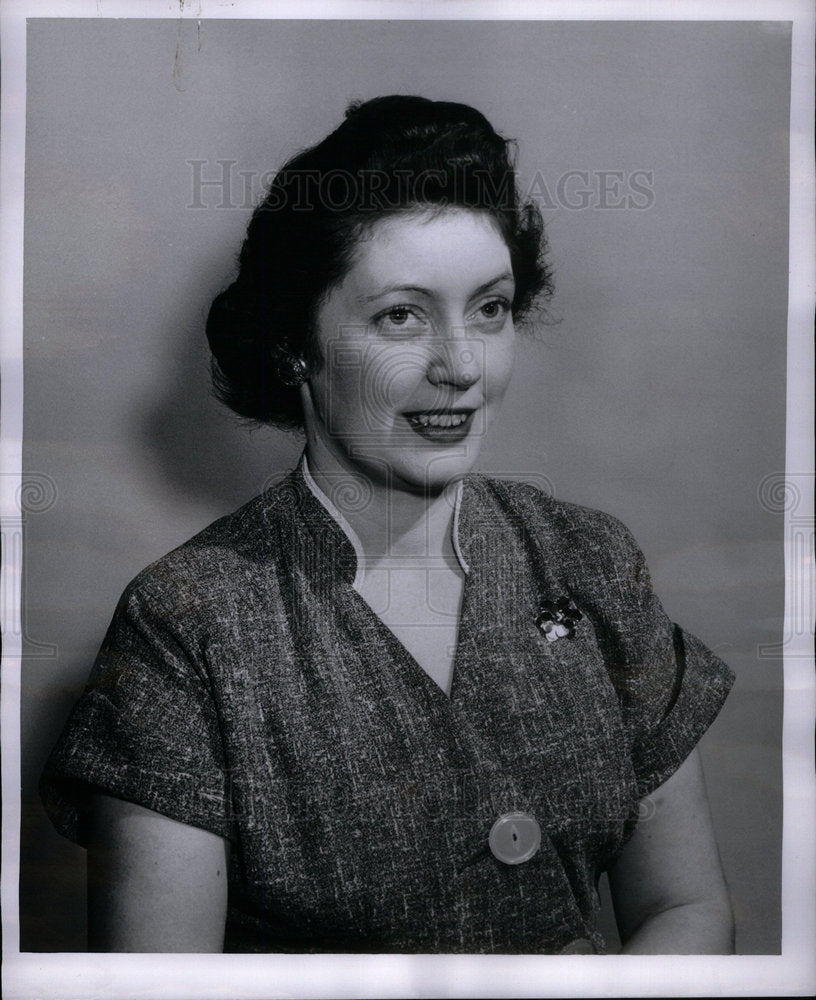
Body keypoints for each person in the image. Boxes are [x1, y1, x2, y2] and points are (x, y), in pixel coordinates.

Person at [40, 95, 735, 954]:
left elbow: (686, 909)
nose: (461, 365)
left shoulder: (590, 559)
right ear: (298, 345)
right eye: (402, 316)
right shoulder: (186, 628)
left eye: (490, 309)